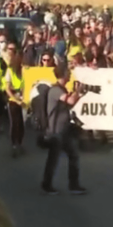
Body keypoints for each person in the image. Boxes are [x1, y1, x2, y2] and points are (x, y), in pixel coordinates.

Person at [41, 63, 87, 195]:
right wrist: (78, 91)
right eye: (68, 72)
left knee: (73, 155)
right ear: (63, 74)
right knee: (53, 159)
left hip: (64, 130)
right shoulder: (56, 90)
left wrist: (78, 94)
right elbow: (70, 101)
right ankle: (47, 185)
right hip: (56, 132)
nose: (70, 74)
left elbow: (70, 103)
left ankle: (74, 185)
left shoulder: (62, 89)